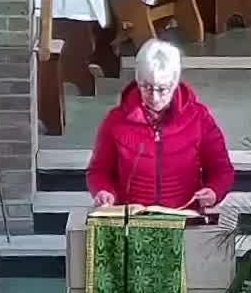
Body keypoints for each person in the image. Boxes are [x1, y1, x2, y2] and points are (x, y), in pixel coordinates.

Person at [87, 39, 234, 213]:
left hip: (183, 214)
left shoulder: (199, 118)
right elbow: (99, 170)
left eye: (162, 89)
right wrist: (103, 191)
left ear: (175, 83)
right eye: (147, 88)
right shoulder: (116, 121)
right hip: (132, 216)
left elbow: (221, 169)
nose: (154, 97)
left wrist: (213, 191)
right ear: (138, 81)